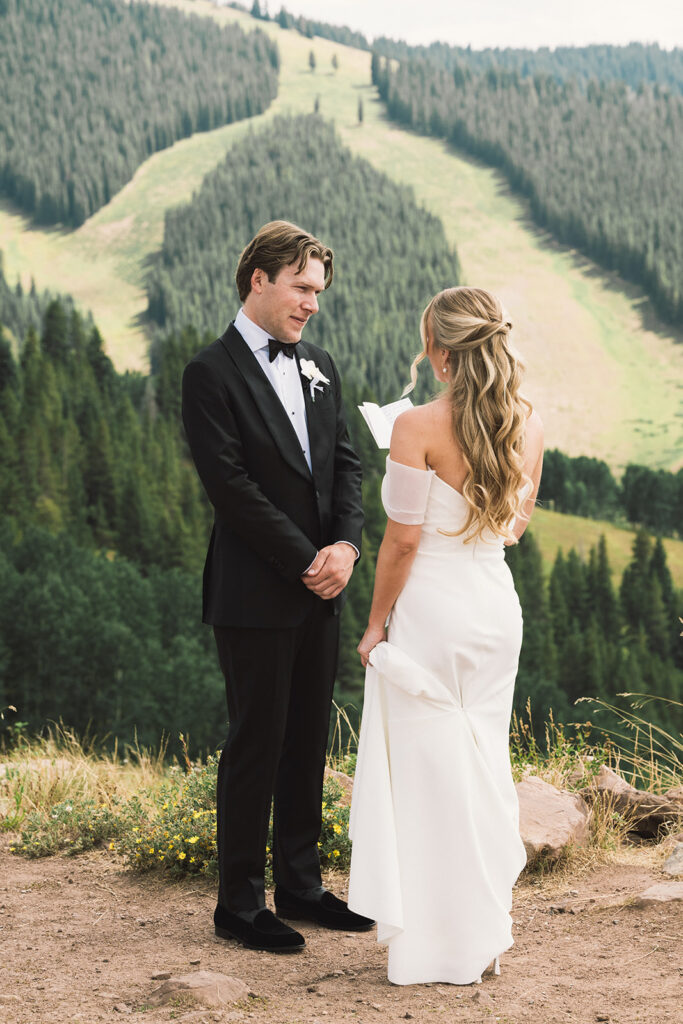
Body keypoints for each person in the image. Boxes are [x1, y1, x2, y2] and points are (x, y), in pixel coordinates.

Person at [181, 220, 373, 953]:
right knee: (255, 741)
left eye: (318, 291)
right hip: (255, 591)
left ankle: (301, 883)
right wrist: (306, 559)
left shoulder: (318, 363)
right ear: (258, 280)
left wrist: (348, 547)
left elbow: (347, 466)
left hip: (323, 585)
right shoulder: (210, 372)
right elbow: (229, 488)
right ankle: (238, 902)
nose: (311, 304)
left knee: (305, 740)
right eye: (301, 288)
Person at [348, 285, 543, 985]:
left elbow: (400, 544)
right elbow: (511, 529)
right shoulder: (526, 424)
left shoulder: (415, 428)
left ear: (438, 352)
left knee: (429, 775)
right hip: (493, 606)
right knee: (481, 765)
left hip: (431, 608)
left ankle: (432, 943)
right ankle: (481, 936)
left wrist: (375, 627)